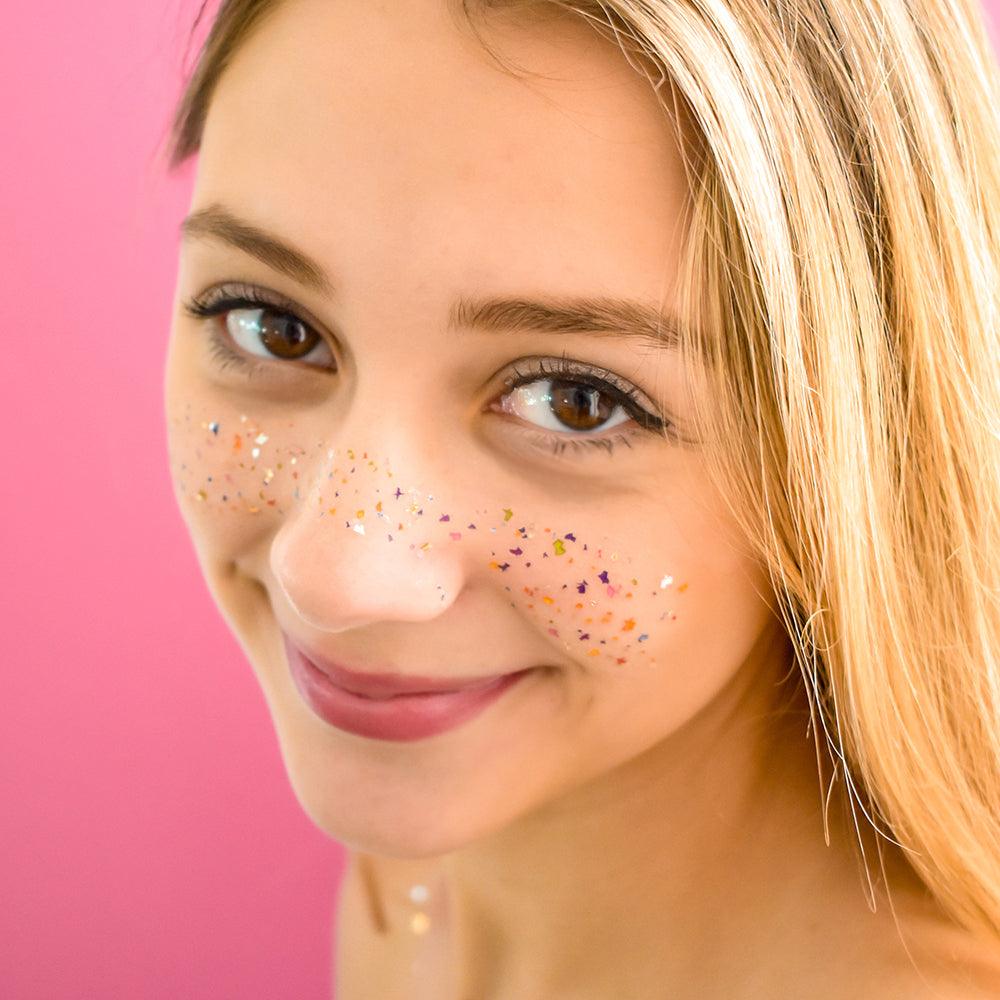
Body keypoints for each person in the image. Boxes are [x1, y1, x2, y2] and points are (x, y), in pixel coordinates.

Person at [161, 0, 1000, 996]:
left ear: (856, 446)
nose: (337, 575)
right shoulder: (439, 842)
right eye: (271, 326)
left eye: (575, 400)